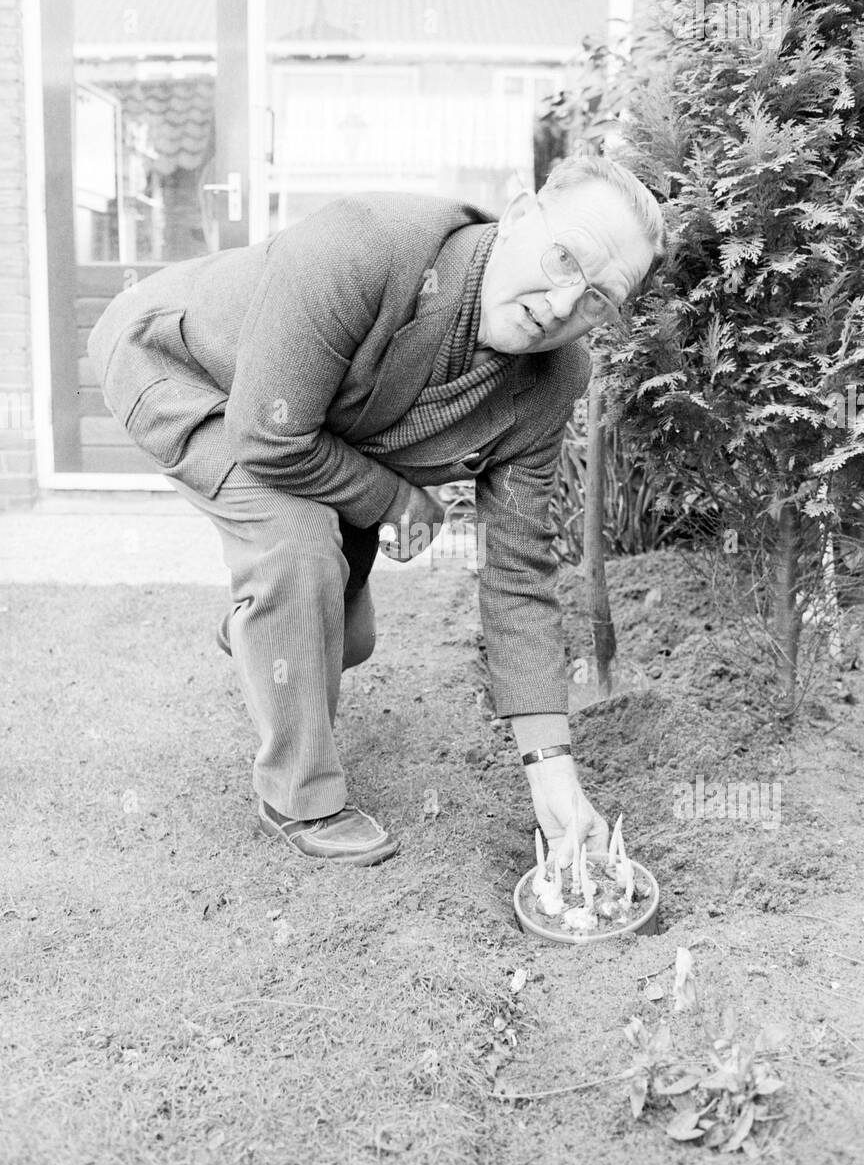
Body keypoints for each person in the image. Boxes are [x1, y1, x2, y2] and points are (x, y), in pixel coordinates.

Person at [90, 155, 664, 868]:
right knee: (296, 545)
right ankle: (299, 798)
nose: (561, 303)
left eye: (599, 298)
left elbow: (520, 573)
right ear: (518, 217)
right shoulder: (365, 246)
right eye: (563, 258)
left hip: (323, 432)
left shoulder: (555, 380)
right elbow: (270, 437)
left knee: (344, 640)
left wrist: (552, 774)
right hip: (184, 365)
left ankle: (263, 627)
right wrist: (396, 503)